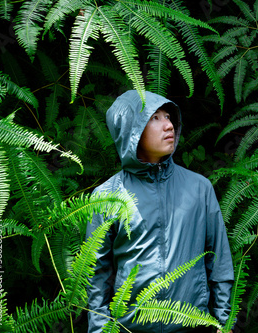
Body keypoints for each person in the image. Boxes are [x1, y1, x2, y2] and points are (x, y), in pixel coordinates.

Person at [86, 90, 234, 333]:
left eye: (168, 116)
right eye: (154, 118)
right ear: (130, 129)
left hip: (192, 327)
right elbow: (95, 278)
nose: (168, 126)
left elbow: (219, 262)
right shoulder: (106, 197)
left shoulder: (199, 189)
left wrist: (222, 322)